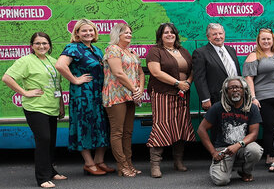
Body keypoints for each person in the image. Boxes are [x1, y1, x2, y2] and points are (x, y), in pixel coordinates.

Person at [2, 32, 67, 188]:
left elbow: (57, 85)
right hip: (35, 107)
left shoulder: (53, 61)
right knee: (43, 139)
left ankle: (51, 170)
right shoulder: (26, 61)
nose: (41, 46)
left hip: (52, 107)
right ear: (32, 46)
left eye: (44, 43)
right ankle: (42, 178)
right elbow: (7, 77)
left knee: (51, 141)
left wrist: (61, 105)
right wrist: (24, 92)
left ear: (50, 45)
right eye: (37, 43)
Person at [54, 19, 113, 176]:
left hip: (99, 95)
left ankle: (99, 161)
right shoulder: (73, 48)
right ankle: (89, 163)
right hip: (83, 96)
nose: (88, 33)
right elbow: (60, 65)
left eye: (91, 30)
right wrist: (75, 79)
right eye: (84, 31)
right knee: (84, 126)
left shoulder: (97, 50)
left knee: (102, 126)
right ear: (77, 33)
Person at [145, 22, 194, 178]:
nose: (169, 35)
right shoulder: (155, 51)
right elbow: (156, 72)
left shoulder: (183, 51)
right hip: (162, 94)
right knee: (162, 126)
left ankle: (178, 161)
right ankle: (155, 165)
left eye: (172, 32)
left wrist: (187, 83)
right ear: (160, 35)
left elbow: (192, 70)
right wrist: (177, 83)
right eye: (166, 32)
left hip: (182, 95)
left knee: (181, 126)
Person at [196, 77, 263, 185]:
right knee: (221, 181)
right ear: (226, 92)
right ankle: (220, 166)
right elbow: (201, 130)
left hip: (242, 146)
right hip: (224, 149)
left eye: (238, 87)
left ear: (244, 90)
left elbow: (254, 134)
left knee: (255, 150)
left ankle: (245, 171)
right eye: (231, 88)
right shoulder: (217, 107)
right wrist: (214, 152)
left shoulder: (252, 107)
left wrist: (238, 145)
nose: (235, 90)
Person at [102, 23, 145, 177]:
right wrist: (135, 90)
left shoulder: (132, 52)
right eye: (125, 33)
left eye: (130, 32)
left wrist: (140, 89)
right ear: (117, 34)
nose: (129, 35)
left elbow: (140, 72)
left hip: (131, 96)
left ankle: (129, 163)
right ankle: (122, 166)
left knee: (128, 132)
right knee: (117, 132)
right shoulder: (112, 50)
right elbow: (118, 73)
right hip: (116, 95)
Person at [244, 28, 274, 173]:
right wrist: (253, 97)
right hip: (265, 97)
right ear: (258, 40)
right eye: (263, 39)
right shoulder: (253, 56)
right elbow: (248, 78)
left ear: (273, 39)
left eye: (269, 39)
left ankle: (270, 155)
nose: (266, 41)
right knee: (271, 127)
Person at [192, 23, 240, 111]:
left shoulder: (231, 50)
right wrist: (205, 99)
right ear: (208, 37)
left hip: (236, 97)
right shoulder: (200, 53)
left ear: (224, 34)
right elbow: (199, 78)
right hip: (216, 100)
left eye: (220, 33)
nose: (218, 36)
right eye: (214, 34)